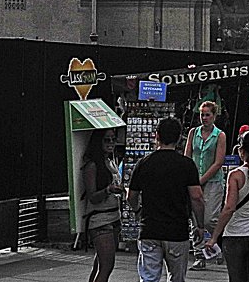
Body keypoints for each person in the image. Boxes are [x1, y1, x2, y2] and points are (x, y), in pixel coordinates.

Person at [127, 117, 205, 282]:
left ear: (157, 136)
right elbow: (197, 197)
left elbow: (131, 196)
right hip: (177, 231)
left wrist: (137, 210)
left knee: (149, 278)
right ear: (179, 138)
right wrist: (199, 225)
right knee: (177, 278)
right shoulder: (186, 165)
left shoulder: (144, 163)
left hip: (149, 229)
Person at [205, 130, 249, 282]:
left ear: (242, 151)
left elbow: (229, 208)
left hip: (236, 235)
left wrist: (214, 237)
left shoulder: (236, 175)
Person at [184, 100, 226, 270]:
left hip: (213, 181)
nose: (204, 118)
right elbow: (188, 155)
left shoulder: (220, 135)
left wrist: (201, 181)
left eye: (208, 114)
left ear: (214, 116)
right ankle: (199, 254)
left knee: (209, 219)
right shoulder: (193, 132)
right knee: (195, 220)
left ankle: (219, 244)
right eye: (202, 114)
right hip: (194, 180)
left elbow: (218, 162)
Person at [82, 129, 122, 282]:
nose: (111, 143)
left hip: (113, 217)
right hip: (100, 220)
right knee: (106, 266)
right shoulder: (92, 166)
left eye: (113, 139)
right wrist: (108, 190)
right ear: (98, 142)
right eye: (107, 140)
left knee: (100, 265)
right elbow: (92, 196)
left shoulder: (110, 162)